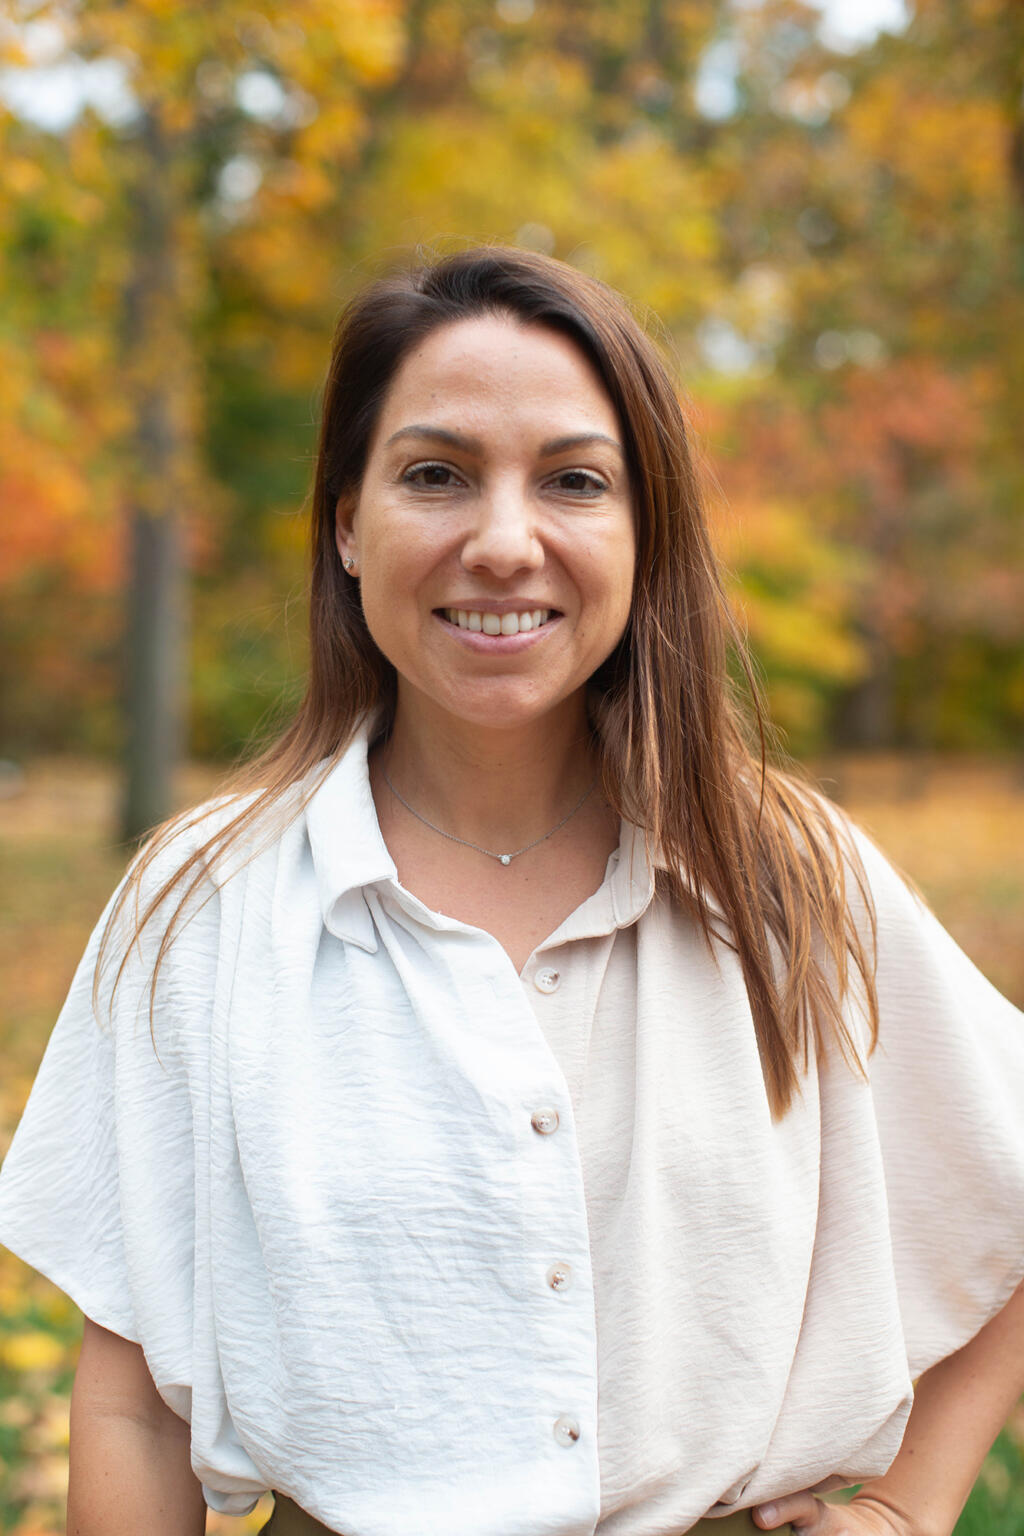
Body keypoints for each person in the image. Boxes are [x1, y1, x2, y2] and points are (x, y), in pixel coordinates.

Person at [0, 245, 1022, 1536]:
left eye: (573, 482)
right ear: (348, 524)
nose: (501, 542)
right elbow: (135, 1403)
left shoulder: (787, 880)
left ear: (644, 534)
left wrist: (912, 1509)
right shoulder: (196, 911)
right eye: (435, 475)